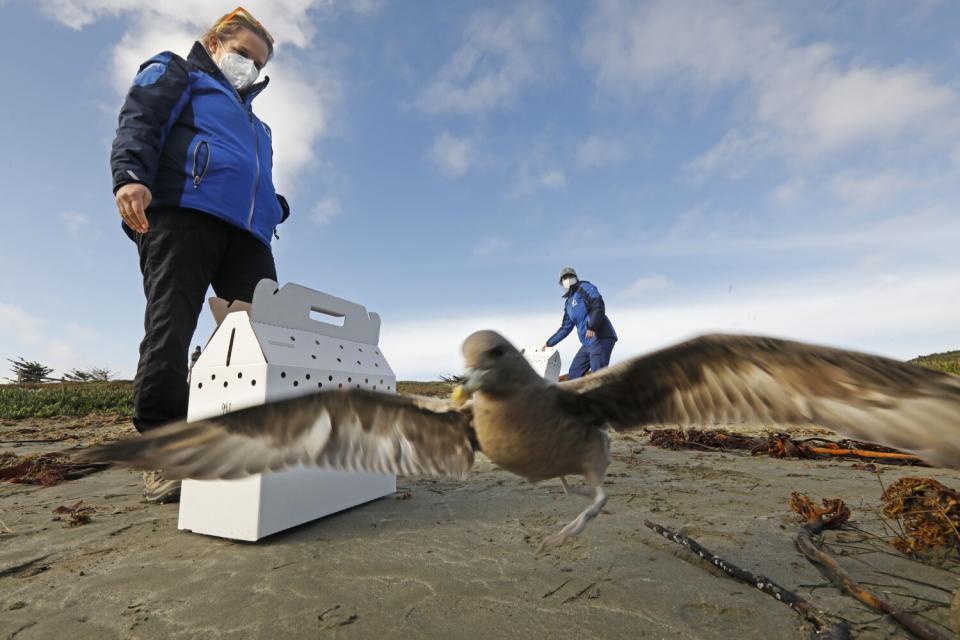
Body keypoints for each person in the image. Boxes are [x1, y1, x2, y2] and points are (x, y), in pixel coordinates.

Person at [111, 7, 289, 503]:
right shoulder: (179, 71)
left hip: (248, 235)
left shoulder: (259, 126)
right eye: (243, 54)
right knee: (171, 328)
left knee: (265, 335)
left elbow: (254, 180)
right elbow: (140, 118)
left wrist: (275, 207)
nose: (251, 68)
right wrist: (130, 176)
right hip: (182, 214)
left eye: (260, 63)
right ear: (214, 44)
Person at [542, 267, 618, 380]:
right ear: (561, 282)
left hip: (600, 337)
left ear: (575, 277)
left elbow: (598, 304)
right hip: (587, 343)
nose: (567, 279)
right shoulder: (568, 303)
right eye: (564, 278)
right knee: (574, 373)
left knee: (598, 374)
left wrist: (592, 326)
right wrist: (549, 343)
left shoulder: (585, 287)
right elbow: (565, 328)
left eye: (570, 276)